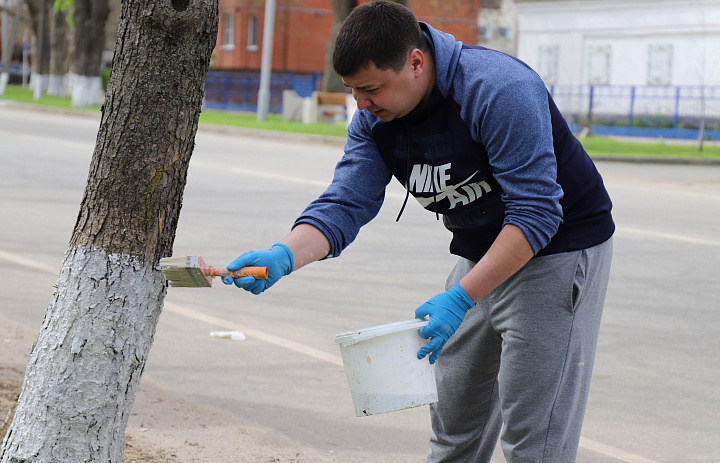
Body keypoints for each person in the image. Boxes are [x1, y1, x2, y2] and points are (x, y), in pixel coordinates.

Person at [223, 1, 615, 461]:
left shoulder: (498, 88)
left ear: (415, 61)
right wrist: (285, 254)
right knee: (454, 425)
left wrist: (462, 296)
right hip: (481, 251)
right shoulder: (375, 120)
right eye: (352, 91)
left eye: (370, 89)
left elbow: (536, 213)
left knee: (535, 441)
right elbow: (347, 201)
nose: (361, 104)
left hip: (559, 248)